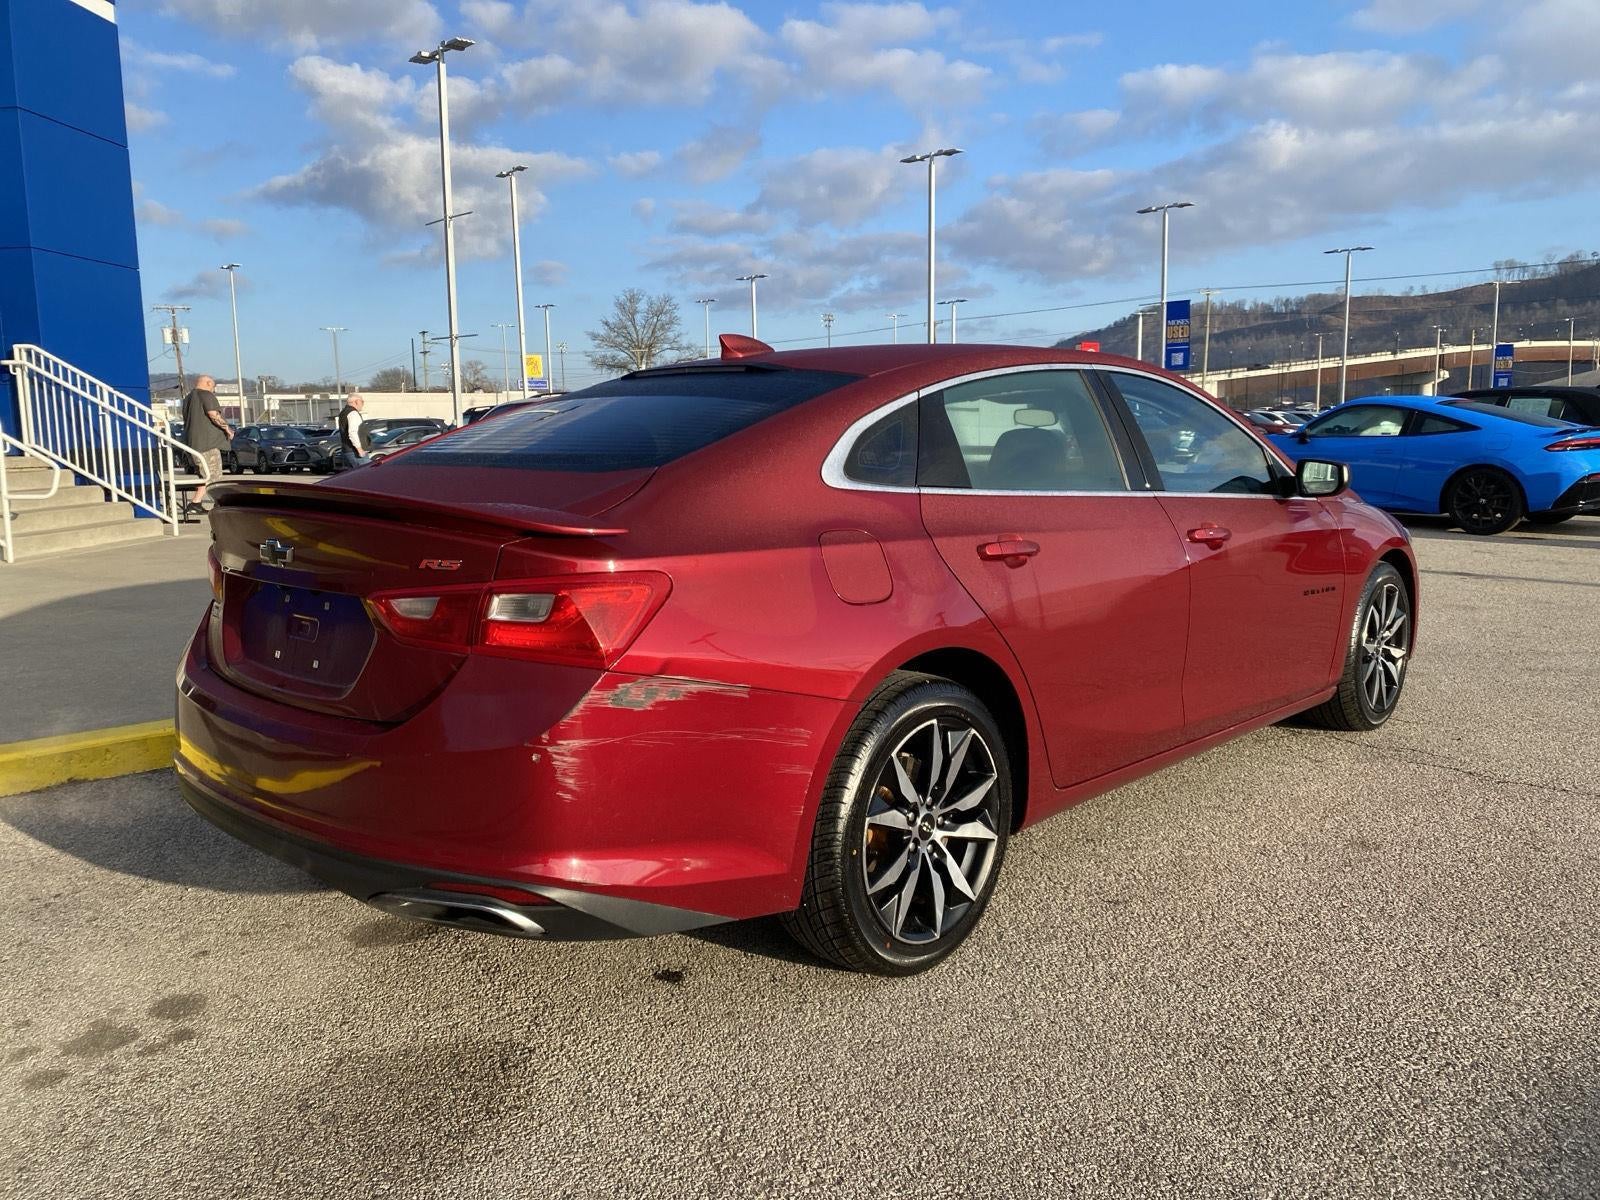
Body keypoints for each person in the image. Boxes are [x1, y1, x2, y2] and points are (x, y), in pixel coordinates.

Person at [180, 375, 231, 514]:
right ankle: (219, 503)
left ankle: (195, 504)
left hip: (192, 444)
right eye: (213, 387)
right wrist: (227, 428)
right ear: (209, 384)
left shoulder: (188, 398)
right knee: (214, 476)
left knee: (204, 475)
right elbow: (213, 414)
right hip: (207, 444)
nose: (213, 390)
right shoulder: (206, 395)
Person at [336, 392, 371, 468]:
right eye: (362, 401)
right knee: (367, 474)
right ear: (357, 402)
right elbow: (353, 433)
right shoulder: (353, 413)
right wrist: (359, 449)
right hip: (355, 452)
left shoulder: (343, 412)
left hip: (347, 451)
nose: (362, 404)